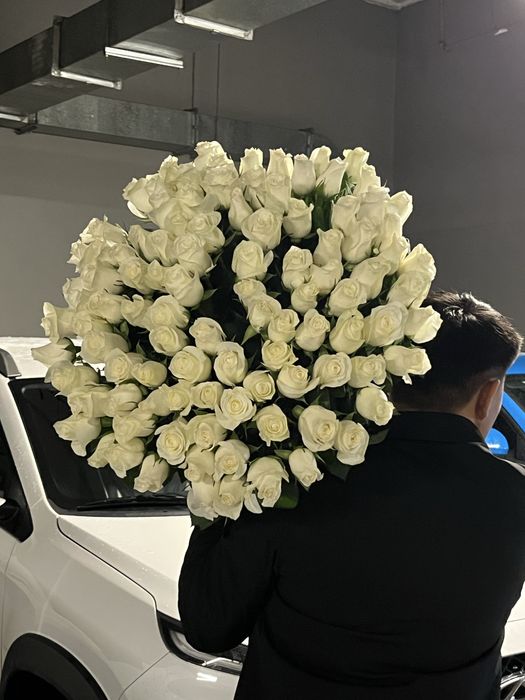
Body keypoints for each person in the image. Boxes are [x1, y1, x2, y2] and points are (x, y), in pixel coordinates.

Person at [178, 291, 525, 700]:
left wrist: (216, 482)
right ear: (488, 394)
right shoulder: (515, 496)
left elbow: (208, 626)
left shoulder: (299, 480)